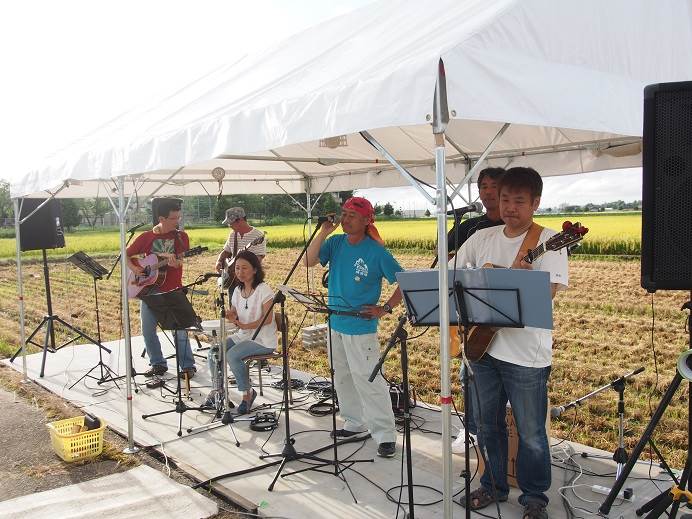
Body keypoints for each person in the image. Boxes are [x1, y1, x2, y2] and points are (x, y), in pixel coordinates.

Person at [450, 167, 568, 519]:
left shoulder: (549, 242)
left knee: (531, 433)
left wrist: (524, 281)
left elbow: (544, 297)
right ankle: (493, 484)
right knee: (487, 426)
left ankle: (534, 498)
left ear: (536, 203)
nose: (510, 207)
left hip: (525, 356)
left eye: (519, 200)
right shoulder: (482, 238)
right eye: (504, 199)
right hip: (482, 349)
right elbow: (454, 274)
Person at [305, 196, 403, 458]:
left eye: (351, 215)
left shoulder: (376, 251)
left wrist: (385, 308)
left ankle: (385, 434)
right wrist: (324, 231)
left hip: (361, 327)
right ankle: (354, 422)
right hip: (335, 321)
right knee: (343, 375)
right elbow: (308, 261)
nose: (345, 219)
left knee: (368, 379)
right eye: (344, 214)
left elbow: (403, 281)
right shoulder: (336, 242)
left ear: (366, 220)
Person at [448, 167, 505, 452]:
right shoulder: (471, 227)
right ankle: (470, 430)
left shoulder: (523, 230)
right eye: (483, 186)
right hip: (473, 312)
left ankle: (501, 432)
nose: (488, 191)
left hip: (507, 315)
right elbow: (446, 254)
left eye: (494, 186)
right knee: (469, 372)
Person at [126, 198, 196, 378]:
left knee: (179, 330)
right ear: (161, 218)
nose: (177, 221)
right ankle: (157, 363)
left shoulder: (181, 236)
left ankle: (187, 366)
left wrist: (175, 262)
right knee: (148, 330)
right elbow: (125, 254)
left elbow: (180, 261)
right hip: (149, 290)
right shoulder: (146, 237)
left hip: (173, 289)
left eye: (179, 217)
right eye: (173, 218)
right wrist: (136, 268)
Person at [211, 250, 277, 414]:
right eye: (237, 268)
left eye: (244, 268)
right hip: (243, 336)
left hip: (263, 340)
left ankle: (247, 395)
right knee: (214, 352)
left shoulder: (264, 289)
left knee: (232, 355)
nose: (239, 272)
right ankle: (218, 391)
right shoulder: (236, 291)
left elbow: (267, 319)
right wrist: (229, 315)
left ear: (255, 269)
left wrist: (246, 326)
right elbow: (234, 314)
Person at [215, 207, 266, 272]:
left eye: (231, 223)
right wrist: (219, 261)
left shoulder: (258, 235)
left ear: (240, 220)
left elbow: (258, 258)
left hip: (249, 275)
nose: (229, 226)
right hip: (232, 275)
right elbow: (226, 251)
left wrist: (241, 266)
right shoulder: (232, 234)